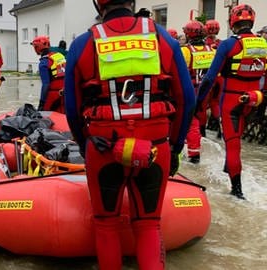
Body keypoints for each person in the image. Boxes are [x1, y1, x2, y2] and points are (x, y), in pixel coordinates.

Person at [64, 0, 195, 269]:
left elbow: (72, 109)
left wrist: (83, 142)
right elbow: (188, 100)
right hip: (156, 146)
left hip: (103, 147)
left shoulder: (82, 44)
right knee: (149, 225)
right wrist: (176, 145)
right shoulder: (163, 38)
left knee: (106, 225)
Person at [197, 4, 267, 200]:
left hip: (231, 102)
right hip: (255, 100)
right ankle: (229, 169)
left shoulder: (228, 44)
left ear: (233, 22)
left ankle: (237, 192)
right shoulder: (264, 44)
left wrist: (199, 101)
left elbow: (209, 78)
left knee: (233, 144)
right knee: (237, 142)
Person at [181, 20, 215, 163]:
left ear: (188, 34)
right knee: (199, 123)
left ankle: (193, 155)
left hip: (189, 93)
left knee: (189, 123)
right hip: (206, 93)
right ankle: (195, 150)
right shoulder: (213, 51)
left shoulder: (185, 51)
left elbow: (178, 73)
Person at [31, 35, 67, 113]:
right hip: (66, 93)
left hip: (54, 95)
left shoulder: (44, 62)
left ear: (37, 48)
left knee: (47, 117)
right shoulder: (59, 56)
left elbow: (46, 84)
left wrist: (41, 103)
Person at [204, 19, 223, 135]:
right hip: (220, 78)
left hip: (207, 77)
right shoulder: (221, 43)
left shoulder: (203, 44)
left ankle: (202, 132)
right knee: (215, 103)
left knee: (202, 104)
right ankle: (221, 128)